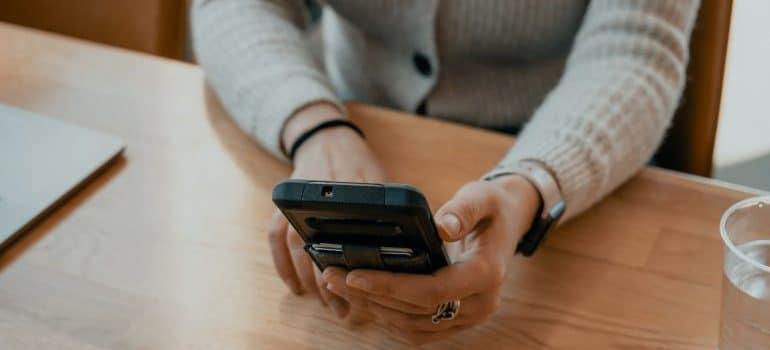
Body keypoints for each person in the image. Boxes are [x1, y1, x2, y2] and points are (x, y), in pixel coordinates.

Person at [192, 0, 700, 344]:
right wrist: (313, 125)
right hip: (348, 117)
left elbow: (637, 49)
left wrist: (531, 182)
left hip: (572, 163)